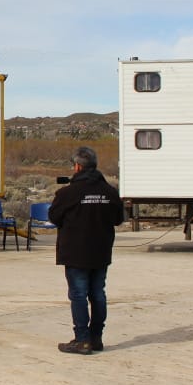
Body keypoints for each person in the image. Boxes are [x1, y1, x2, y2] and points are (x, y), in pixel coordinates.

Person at [48, 146, 123, 355]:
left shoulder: (68, 193)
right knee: (98, 294)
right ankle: (96, 337)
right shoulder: (110, 192)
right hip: (100, 251)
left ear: (78, 166)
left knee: (79, 295)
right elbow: (118, 219)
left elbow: (53, 217)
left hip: (75, 252)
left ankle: (82, 339)